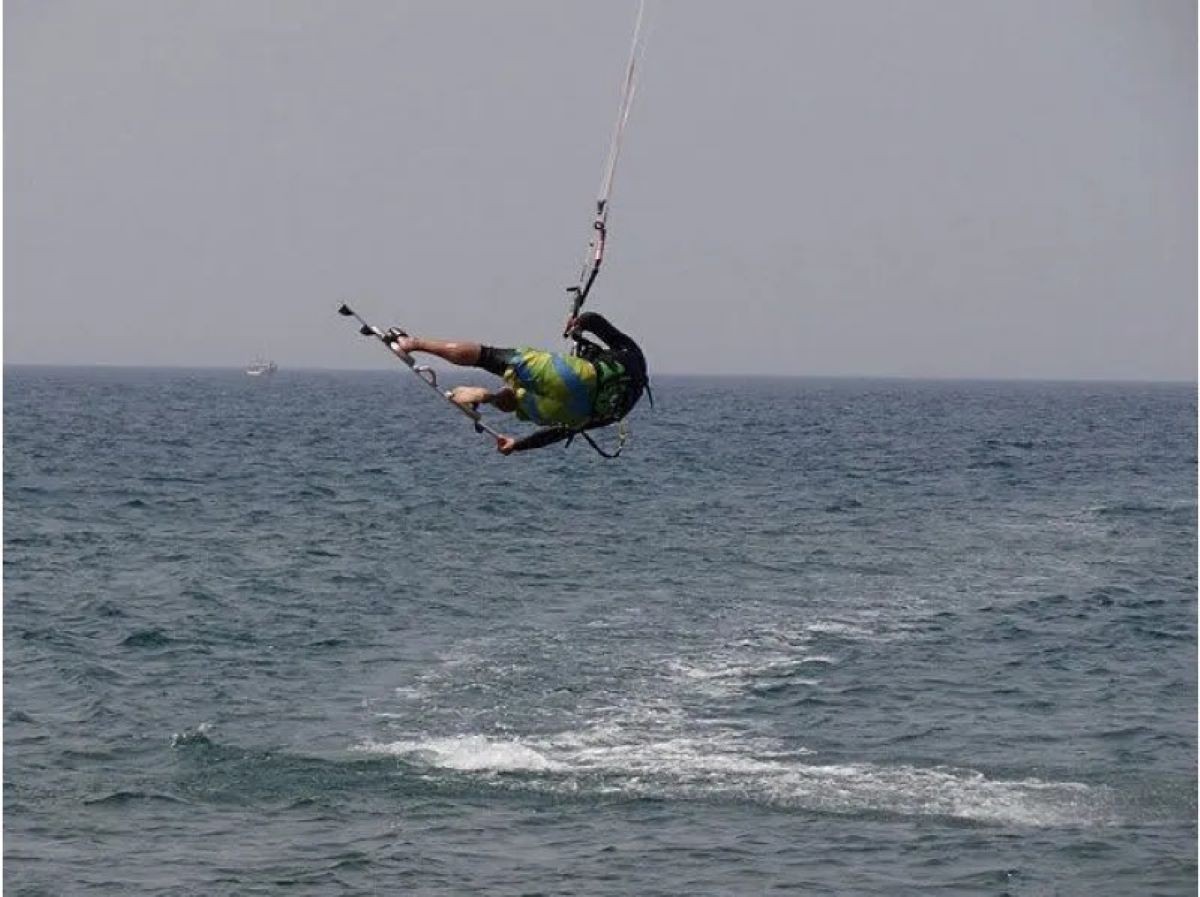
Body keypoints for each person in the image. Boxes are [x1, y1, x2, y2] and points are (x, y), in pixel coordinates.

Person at [386, 311, 648, 455]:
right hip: (569, 412)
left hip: (573, 375)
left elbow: (596, 322)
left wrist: (577, 323)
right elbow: (562, 432)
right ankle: (489, 398)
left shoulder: (632, 352)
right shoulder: (619, 408)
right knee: (516, 399)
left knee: (489, 357)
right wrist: (517, 445)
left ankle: (412, 343)